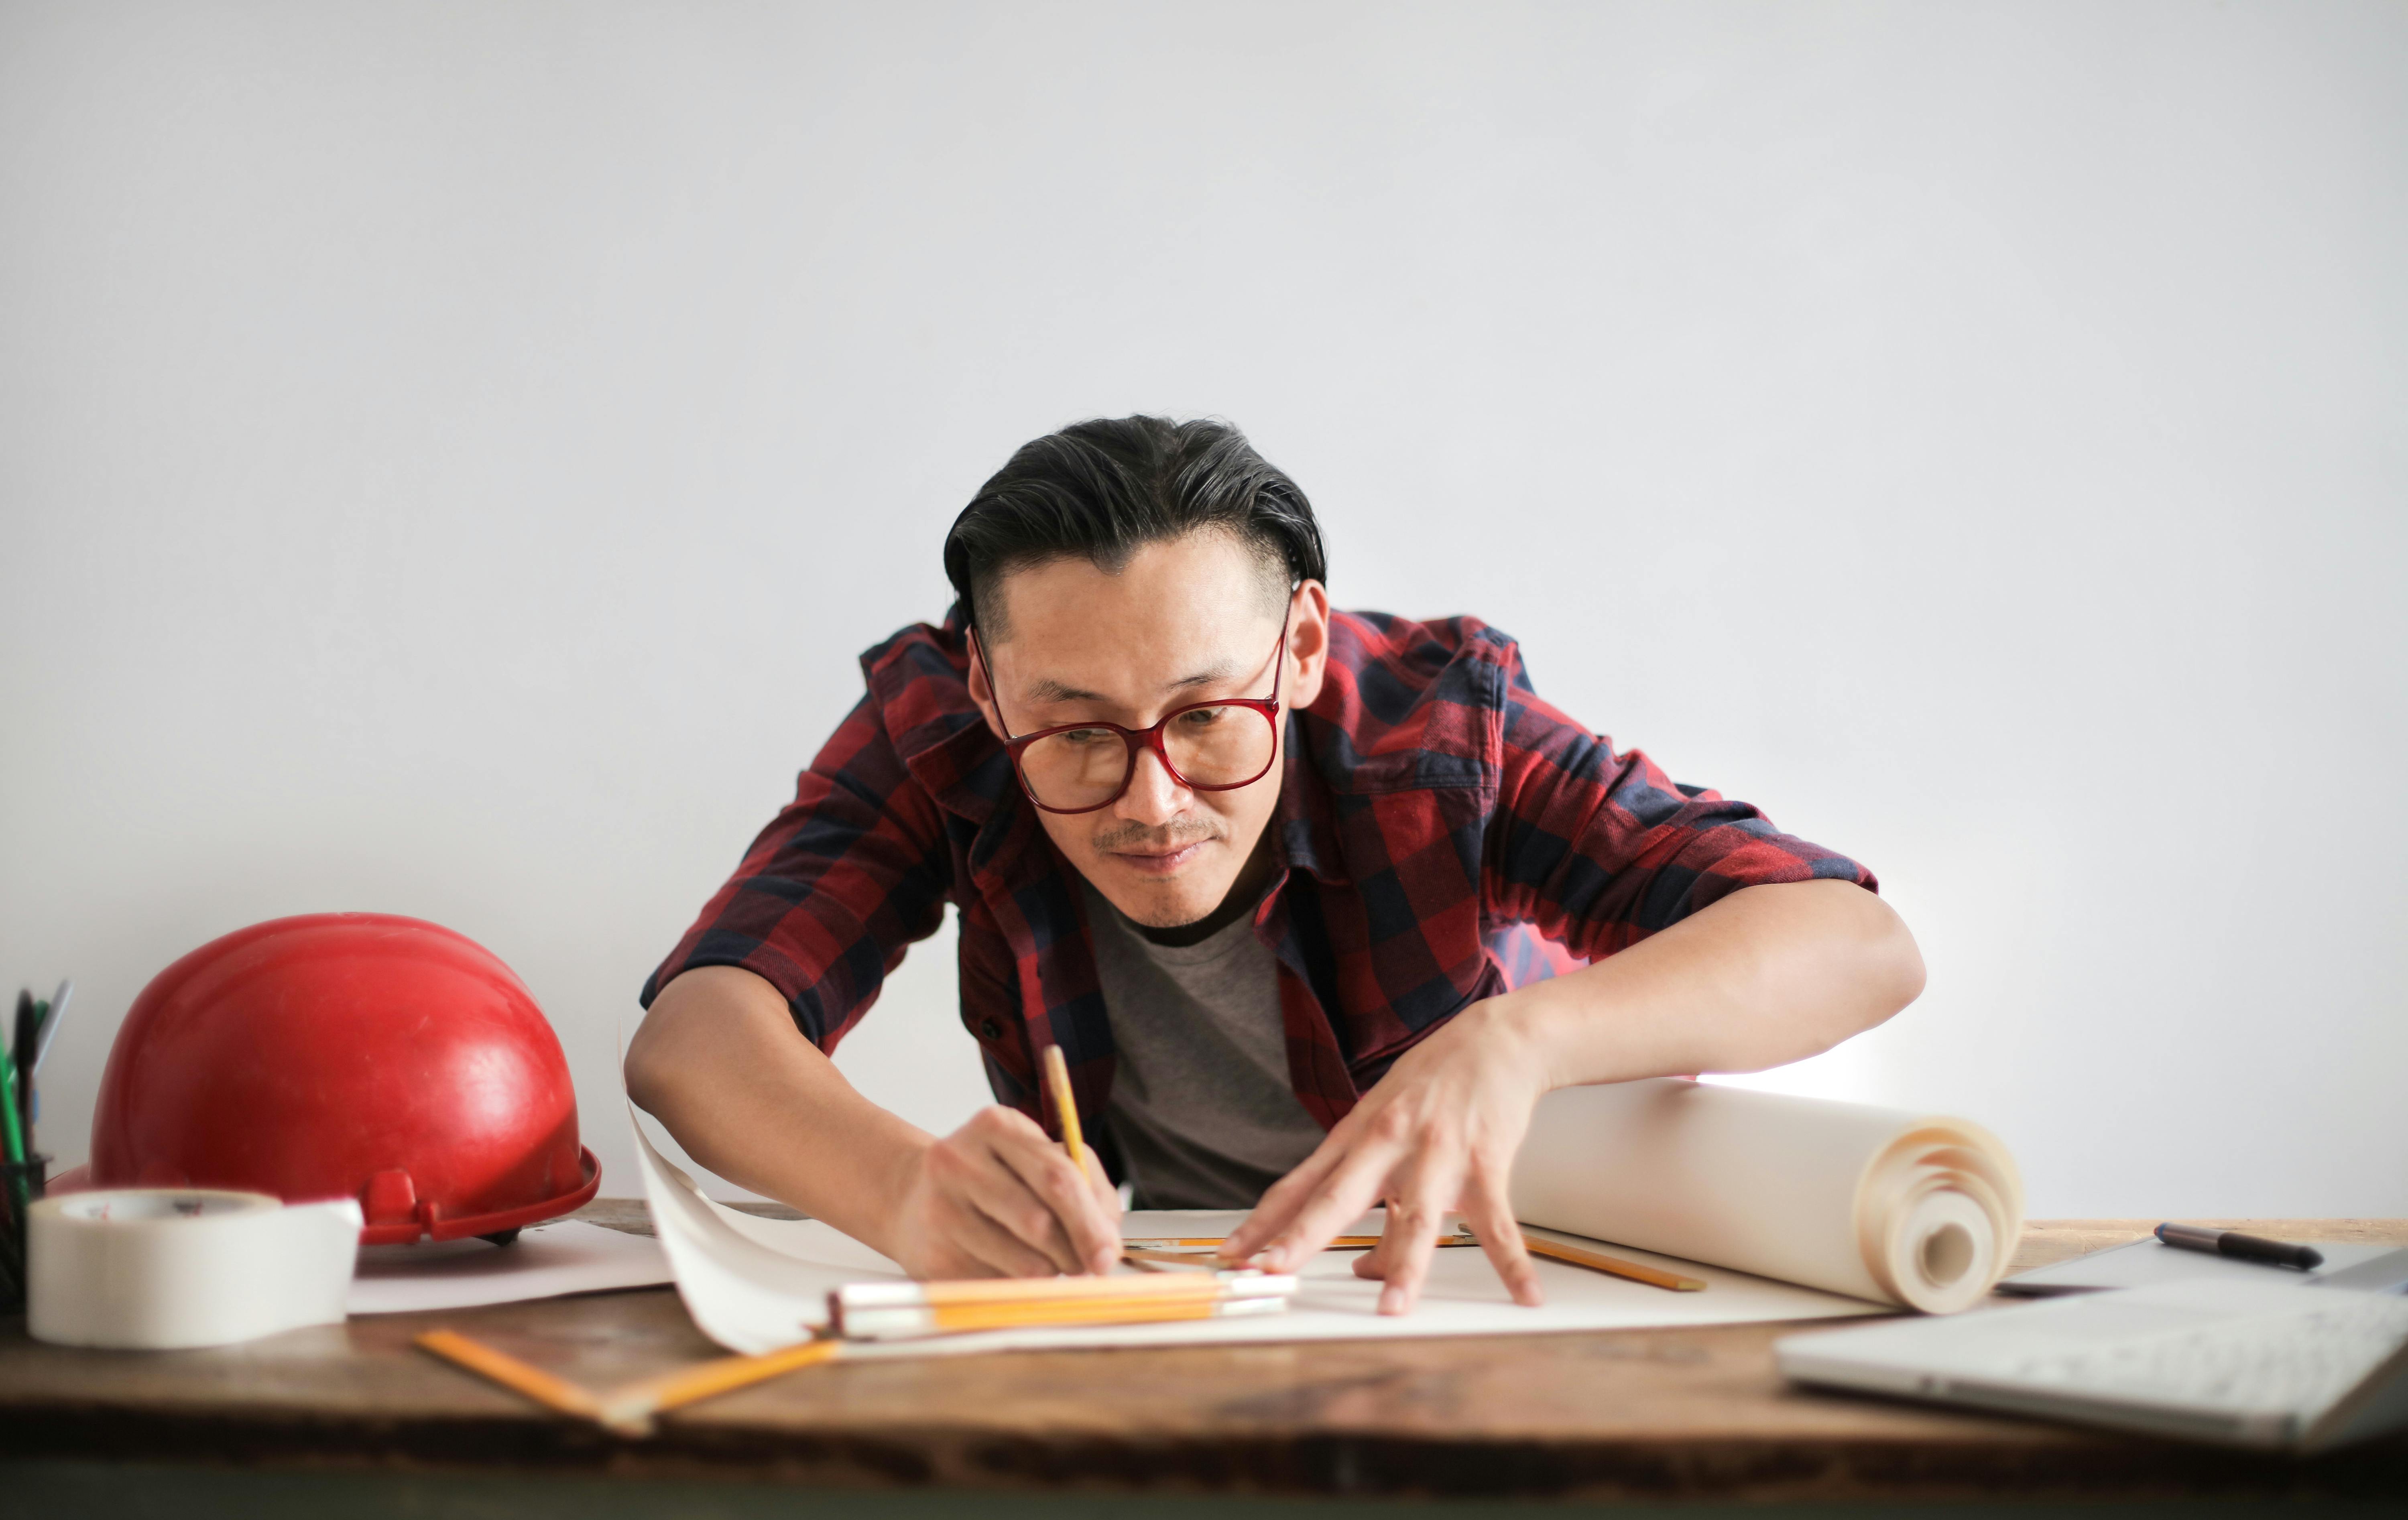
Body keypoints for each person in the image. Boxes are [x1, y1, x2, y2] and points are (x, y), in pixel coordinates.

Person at [625, 416, 1925, 1314]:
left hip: (1467, 1282)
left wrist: (1517, 1044)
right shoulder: (942, 733)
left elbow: (1856, 943)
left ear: (1302, 647)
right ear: (988, 682)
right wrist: (900, 1188)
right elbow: (697, 1037)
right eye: (1077, 731)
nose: (1154, 801)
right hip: (1162, 1293)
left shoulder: (1432, 735)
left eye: (1205, 716)